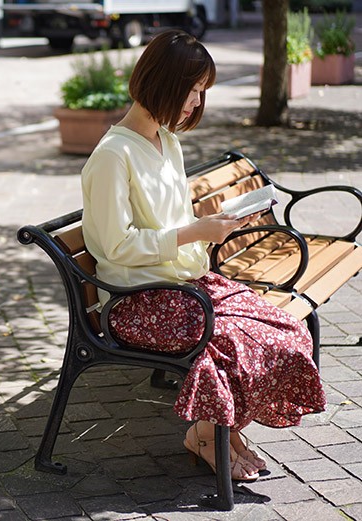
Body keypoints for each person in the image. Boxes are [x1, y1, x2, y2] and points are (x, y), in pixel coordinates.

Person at [81, 29, 326, 482]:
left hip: (181, 287)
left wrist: (212, 223)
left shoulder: (166, 141)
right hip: (135, 301)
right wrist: (195, 231)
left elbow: (171, 221)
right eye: (192, 91)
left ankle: (220, 431)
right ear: (163, 84)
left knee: (286, 330)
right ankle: (208, 435)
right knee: (234, 342)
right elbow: (115, 246)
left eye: (201, 92)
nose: (196, 102)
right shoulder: (113, 156)